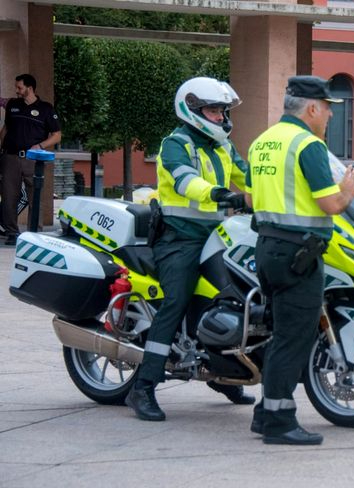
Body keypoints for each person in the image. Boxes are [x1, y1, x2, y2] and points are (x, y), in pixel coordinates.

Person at [125, 77, 254, 421]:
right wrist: (222, 194)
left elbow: (250, 177)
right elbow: (186, 182)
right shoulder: (175, 144)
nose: (221, 118)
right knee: (176, 301)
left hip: (216, 235)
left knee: (235, 294)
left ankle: (224, 372)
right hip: (177, 239)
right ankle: (143, 387)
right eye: (214, 110)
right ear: (192, 110)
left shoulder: (224, 146)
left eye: (223, 111)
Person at [248, 76, 354, 445]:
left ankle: (265, 414)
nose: (330, 114)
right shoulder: (307, 145)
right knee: (293, 338)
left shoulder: (262, 142)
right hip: (300, 256)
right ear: (312, 108)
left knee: (277, 333)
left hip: (267, 250)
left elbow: (251, 199)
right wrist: (348, 191)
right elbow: (330, 204)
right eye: (328, 107)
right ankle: (280, 422)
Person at [0, 74, 61, 245]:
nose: (17, 90)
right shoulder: (13, 105)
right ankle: (11, 232)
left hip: (33, 160)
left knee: (35, 196)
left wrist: (40, 146)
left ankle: (35, 234)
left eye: (19, 87)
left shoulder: (46, 109)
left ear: (30, 88)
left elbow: (57, 136)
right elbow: (6, 128)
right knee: (9, 196)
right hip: (10, 157)